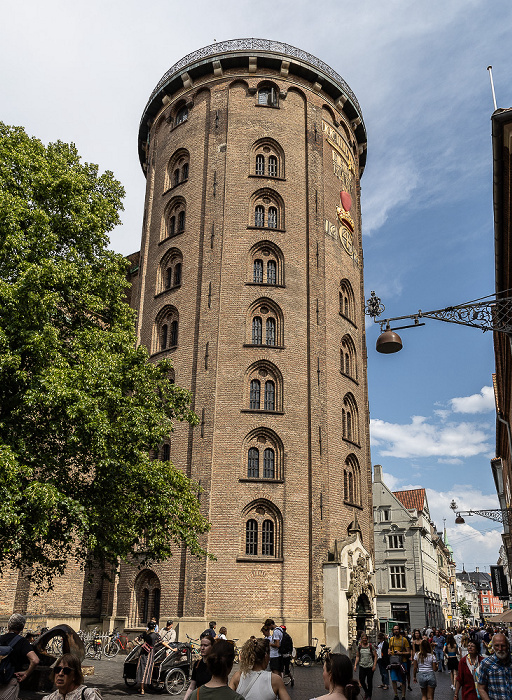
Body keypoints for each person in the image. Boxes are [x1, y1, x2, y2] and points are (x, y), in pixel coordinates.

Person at [0, 613, 39, 700]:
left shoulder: (0, 638)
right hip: (10, 681)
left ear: (8, 625)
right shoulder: (22, 642)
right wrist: (26, 673)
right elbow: (35, 660)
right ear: (22, 628)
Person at [135, 620, 172, 695]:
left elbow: (136, 639)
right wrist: (171, 649)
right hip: (149, 654)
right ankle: (144, 687)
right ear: (154, 628)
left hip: (142, 653)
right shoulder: (155, 635)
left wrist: (141, 645)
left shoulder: (145, 633)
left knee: (141, 669)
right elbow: (163, 643)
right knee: (147, 670)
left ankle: (141, 688)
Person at [477, 633, 512, 700]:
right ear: (493, 646)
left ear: (508, 646)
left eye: (503, 646)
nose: (500, 649)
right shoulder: (486, 663)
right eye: (496, 646)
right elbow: (481, 688)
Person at [183, 632, 213, 700]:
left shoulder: (216, 664)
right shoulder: (197, 664)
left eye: (206, 645)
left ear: (212, 647)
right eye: (201, 645)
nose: (202, 648)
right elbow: (191, 687)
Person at [388, 625, 410, 700]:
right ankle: (396, 695)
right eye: (394, 630)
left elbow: (408, 652)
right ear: (393, 631)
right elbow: (389, 649)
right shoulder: (391, 639)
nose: (396, 631)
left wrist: (400, 653)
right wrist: (390, 652)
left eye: (397, 629)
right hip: (393, 662)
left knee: (403, 680)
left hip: (402, 662)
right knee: (393, 679)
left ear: (399, 630)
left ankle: (403, 696)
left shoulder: (404, 640)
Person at [354, 633, 377, 700]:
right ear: (361, 639)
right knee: (361, 681)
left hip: (370, 666)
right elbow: (357, 656)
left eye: (365, 638)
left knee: (369, 682)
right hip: (362, 666)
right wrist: (355, 665)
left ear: (367, 639)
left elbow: (375, 656)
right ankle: (367, 692)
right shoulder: (359, 647)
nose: (364, 640)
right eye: (363, 639)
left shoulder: (371, 646)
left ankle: (369, 695)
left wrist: (374, 665)